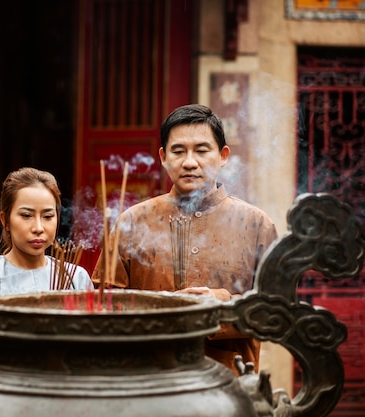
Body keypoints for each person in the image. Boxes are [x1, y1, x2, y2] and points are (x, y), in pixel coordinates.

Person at [91, 104, 278, 373]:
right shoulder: (132, 221)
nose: (190, 162)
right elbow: (103, 306)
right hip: (149, 380)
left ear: (223, 155)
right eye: (178, 151)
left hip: (229, 386)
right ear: (164, 157)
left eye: (202, 150)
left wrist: (221, 304)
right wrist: (160, 308)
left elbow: (276, 315)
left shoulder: (257, 225)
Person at [0, 167, 94, 366]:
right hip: (4, 389)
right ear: (5, 220)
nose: (38, 227)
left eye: (48, 216)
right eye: (26, 215)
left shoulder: (76, 278)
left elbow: (93, 343)